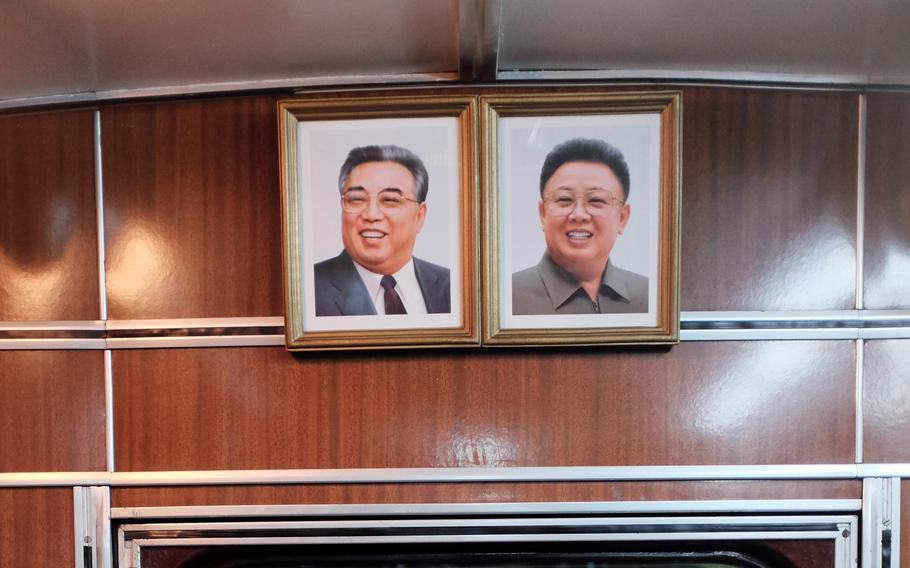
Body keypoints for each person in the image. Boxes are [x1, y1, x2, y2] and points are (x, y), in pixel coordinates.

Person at [512, 137, 648, 315]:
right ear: (543, 213)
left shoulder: (649, 298)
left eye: (596, 200)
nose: (579, 215)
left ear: (622, 218)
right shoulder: (509, 298)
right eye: (564, 199)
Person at [314, 144, 450, 316]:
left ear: (419, 216)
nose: (371, 214)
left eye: (390, 200)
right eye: (356, 199)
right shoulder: (310, 289)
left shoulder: (453, 287)